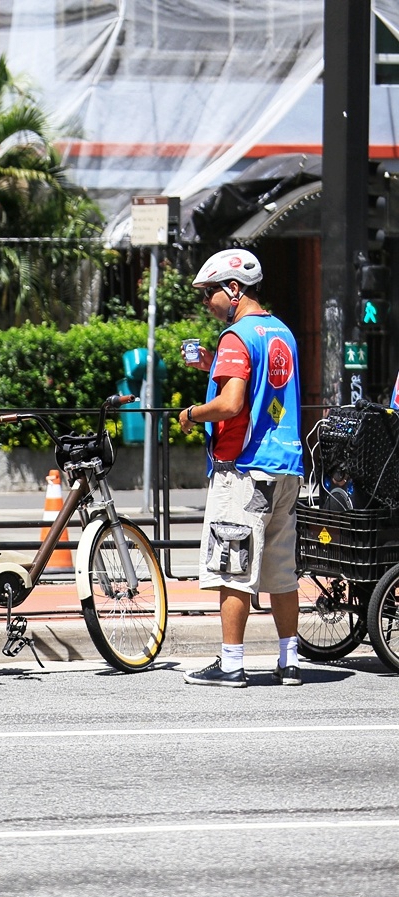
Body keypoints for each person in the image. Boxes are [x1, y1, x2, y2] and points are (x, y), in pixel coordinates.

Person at [176, 248, 305, 688]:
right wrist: (210, 365)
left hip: (244, 469)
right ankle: (289, 661)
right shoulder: (282, 331)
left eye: (208, 292)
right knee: (281, 571)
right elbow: (264, 388)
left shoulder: (235, 336)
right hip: (286, 466)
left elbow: (231, 404)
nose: (206, 302)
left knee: (233, 569)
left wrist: (191, 414)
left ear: (233, 289)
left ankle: (231, 663)